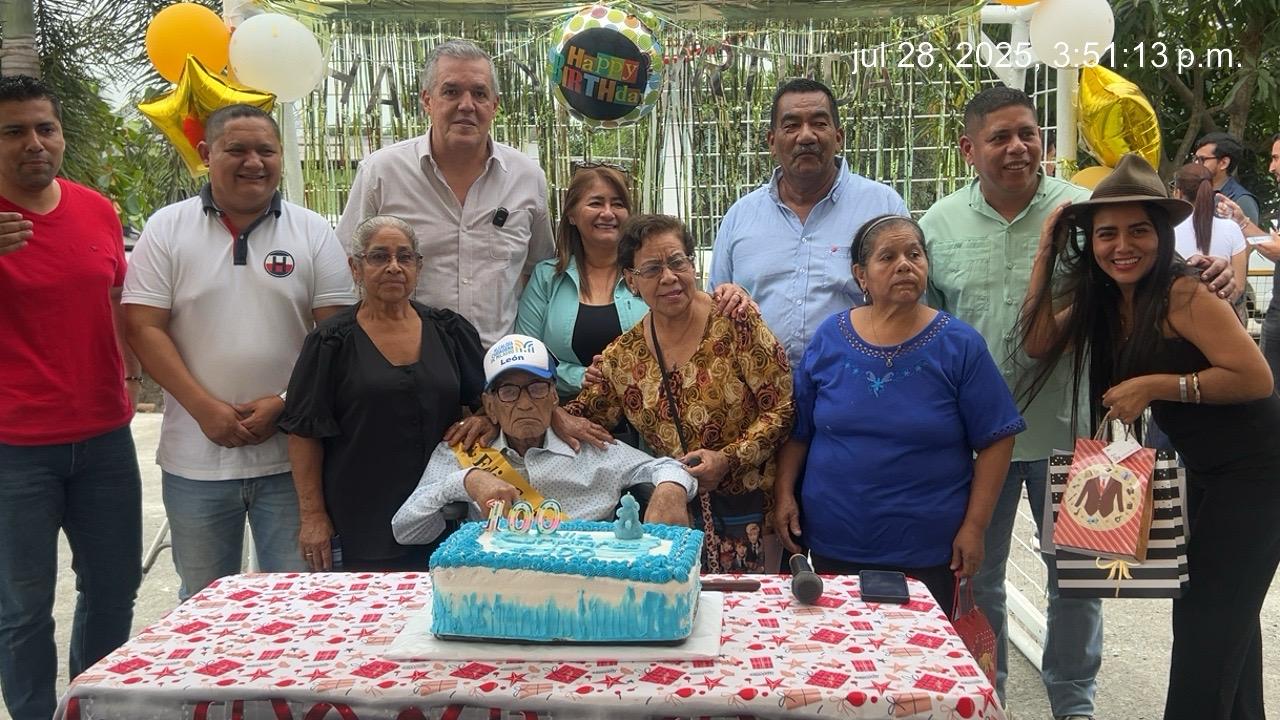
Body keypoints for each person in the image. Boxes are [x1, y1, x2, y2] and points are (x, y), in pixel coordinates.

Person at [920, 86, 1235, 720]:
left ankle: (1074, 703)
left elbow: (1149, 268)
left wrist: (1215, 272)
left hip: (1076, 428)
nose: (1018, 147)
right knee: (977, 577)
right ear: (968, 149)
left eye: (1028, 133)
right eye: (1000, 137)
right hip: (974, 440)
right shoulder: (936, 225)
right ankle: (986, 698)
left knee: (1078, 581)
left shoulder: (1086, 211)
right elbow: (928, 329)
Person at [1019, 152, 1280, 720]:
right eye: (1106, 233)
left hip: (1259, 473)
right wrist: (1045, 252)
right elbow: (1037, 343)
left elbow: (1256, 378)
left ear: (1161, 235)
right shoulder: (1106, 300)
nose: (1122, 246)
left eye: (1138, 230)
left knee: (1207, 624)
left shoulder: (1182, 293)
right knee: (1223, 621)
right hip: (1206, 470)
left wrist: (1157, 385)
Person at [124, 104, 356, 600]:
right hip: (195, 461)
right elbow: (143, 327)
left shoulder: (313, 231)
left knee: (298, 601)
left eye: (266, 150)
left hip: (293, 462)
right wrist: (203, 408)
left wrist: (287, 403)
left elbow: (338, 336)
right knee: (203, 603)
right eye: (237, 150)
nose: (254, 162)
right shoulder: (166, 229)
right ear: (206, 154)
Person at [773, 215, 1023, 612]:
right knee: (841, 644)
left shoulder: (960, 345)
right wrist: (784, 494)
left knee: (921, 650)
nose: (904, 265)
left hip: (928, 550)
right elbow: (800, 430)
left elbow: (998, 437)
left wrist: (975, 526)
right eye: (887, 257)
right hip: (835, 540)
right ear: (861, 275)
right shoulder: (830, 337)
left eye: (914, 254)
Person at [0, 75, 143, 720]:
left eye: (45, 128)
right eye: (13, 131)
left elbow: (114, 298)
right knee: (23, 606)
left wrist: (130, 377)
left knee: (113, 590)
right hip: (14, 447)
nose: (34, 143)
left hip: (105, 437)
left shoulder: (96, 209)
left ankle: (91, 708)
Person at [566, 214, 795, 574]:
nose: (669, 277)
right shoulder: (623, 357)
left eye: (677, 262)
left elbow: (783, 408)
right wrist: (521, 411)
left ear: (693, 265)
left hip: (751, 513)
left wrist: (728, 459)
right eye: (652, 269)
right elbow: (580, 420)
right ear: (631, 280)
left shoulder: (735, 321)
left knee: (746, 608)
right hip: (675, 518)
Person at [279, 215, 487, 571]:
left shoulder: (449, 331)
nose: (394, 267)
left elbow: (492, 400)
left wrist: (484, 420)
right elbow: (304, 433)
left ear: (418, 267)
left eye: (404, 257)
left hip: (444, 514)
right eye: (379, 256)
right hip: (361, 518)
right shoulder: (330, 342)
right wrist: (312, 516)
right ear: (355, 268)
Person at [336, 38, 554, 347]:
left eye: (479, 93)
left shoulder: (527, 178)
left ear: (494, 105)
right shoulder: (382, 173)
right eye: (451, 92)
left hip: (497, 364)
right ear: (427, 100)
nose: (466, 105)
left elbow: (539, 274)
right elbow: (347, 268)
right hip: (407, 360)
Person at [392, 334, 694, 543]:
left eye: (537, 388)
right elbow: (406, 530)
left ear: (554, 397)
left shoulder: (590, 446)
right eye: (508, 391)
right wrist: (467, 480)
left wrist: (670, 489)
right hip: (497, 591)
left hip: (589, 586)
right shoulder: (466, 450)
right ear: (490, 405)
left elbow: (668, 467)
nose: (525, 404)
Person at [709, 77, 909, 369]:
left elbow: (908, 303)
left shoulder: (882, 207)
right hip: (759, 389)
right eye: (791, 125)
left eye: (819, 123)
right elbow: (715, 308)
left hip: (856, 384)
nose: (806, 136)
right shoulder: (740, 216)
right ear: (772, 142)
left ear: (838, 137)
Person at [515, 165, 645, 400]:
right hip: (562, 413)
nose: (608, 213)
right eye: (596, 203)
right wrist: (579, 377)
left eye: (618, 204)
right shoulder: (547, 277)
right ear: (572, 215)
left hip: (642, 414)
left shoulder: (647, 275)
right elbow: (525, 354)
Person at [1218, 132, 1280, 381]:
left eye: (1276, 158)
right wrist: (1241, 221)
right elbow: (1273, 248)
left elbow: (1276, 250)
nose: (1271, 167)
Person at [1170, 163, 1247, 319]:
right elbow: (1238, 286)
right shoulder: (1232, 228)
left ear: (1178, 193)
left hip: (1179, 317)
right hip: (1224, 316)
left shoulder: (1168, 230)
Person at [1192, 132, 1260, 225]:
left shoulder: (1242, 200)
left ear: (1224, 163)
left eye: (1202, 159)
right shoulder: (1193, 192)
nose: (1196, 163)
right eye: (1195, 158)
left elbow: (1250, 234)